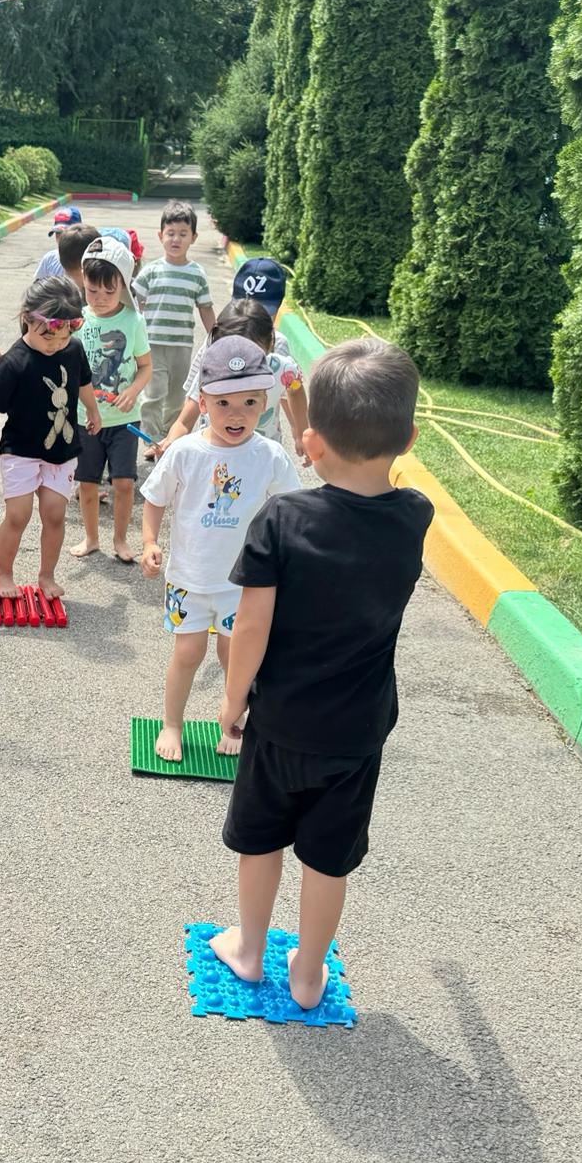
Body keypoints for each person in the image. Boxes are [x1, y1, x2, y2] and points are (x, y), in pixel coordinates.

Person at [215, 337, 431, 1016]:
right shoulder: (414, 516)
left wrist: (232, 701)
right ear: (409, 438)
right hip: (358, 729)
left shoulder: (283, 520)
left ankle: (249, 949)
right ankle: (308, 972)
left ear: (309, 443)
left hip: (280, 721)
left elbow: (251, 627)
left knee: (260, 840)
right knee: (328, 857)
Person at [138, 337, 300, 758]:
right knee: (187, 653)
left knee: (236, 657)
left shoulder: (270, 455)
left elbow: (292, 509)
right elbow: (155, 498)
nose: (236, 414)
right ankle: (172, 724)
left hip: (243, 585)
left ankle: (232, 724)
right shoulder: (184, 451)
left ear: (264, 403)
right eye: (223, 402)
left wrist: (290, 558)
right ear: (203, 401)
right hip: (188, 579)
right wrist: (150, 541)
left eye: (249, 402)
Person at [0, 285, 99, 600]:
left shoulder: (73, 349)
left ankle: (46, 576)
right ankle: (4, 573)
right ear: (27, 319)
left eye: (63, 337)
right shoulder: (13, 362)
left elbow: (83, 381)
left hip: (61, 451)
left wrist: (92, 410)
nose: (56, 345)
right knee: (18, 515)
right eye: (49, 338)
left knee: (54, 514)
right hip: (20, 450)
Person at [165, 288, 313, 468]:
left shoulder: (282, 369)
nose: (243, 361)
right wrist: (171, 444)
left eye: (252, 352)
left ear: (271, 343)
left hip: (262, 461)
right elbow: (184, 421)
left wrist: (301, 432)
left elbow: (295, 390)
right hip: (214, 459)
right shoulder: (211, 370)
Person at [73, 237, 150, 561]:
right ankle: (91, 538)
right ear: (83, 282)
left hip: (124, 421)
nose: (100, 299)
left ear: (124, 285)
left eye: (109, 291)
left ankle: (120, 540)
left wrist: (132, 391)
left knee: (124, 483)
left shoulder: (133, 321)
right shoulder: (77, 320)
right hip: (85, 419)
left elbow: (145, 366)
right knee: (87, 484)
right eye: (93, 291)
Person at [136, 200, 215, 444]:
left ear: (193, 237)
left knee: (176, 397)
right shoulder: (151, 271)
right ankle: (151, 440)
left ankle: (170, 439)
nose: (176, 239)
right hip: (152, 344)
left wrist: (217, 338)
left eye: (183, 234)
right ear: (160, 236)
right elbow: (135, 302)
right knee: (153, 394)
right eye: (170, 233)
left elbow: (205, 308)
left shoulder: (196, 273)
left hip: (182, 346)